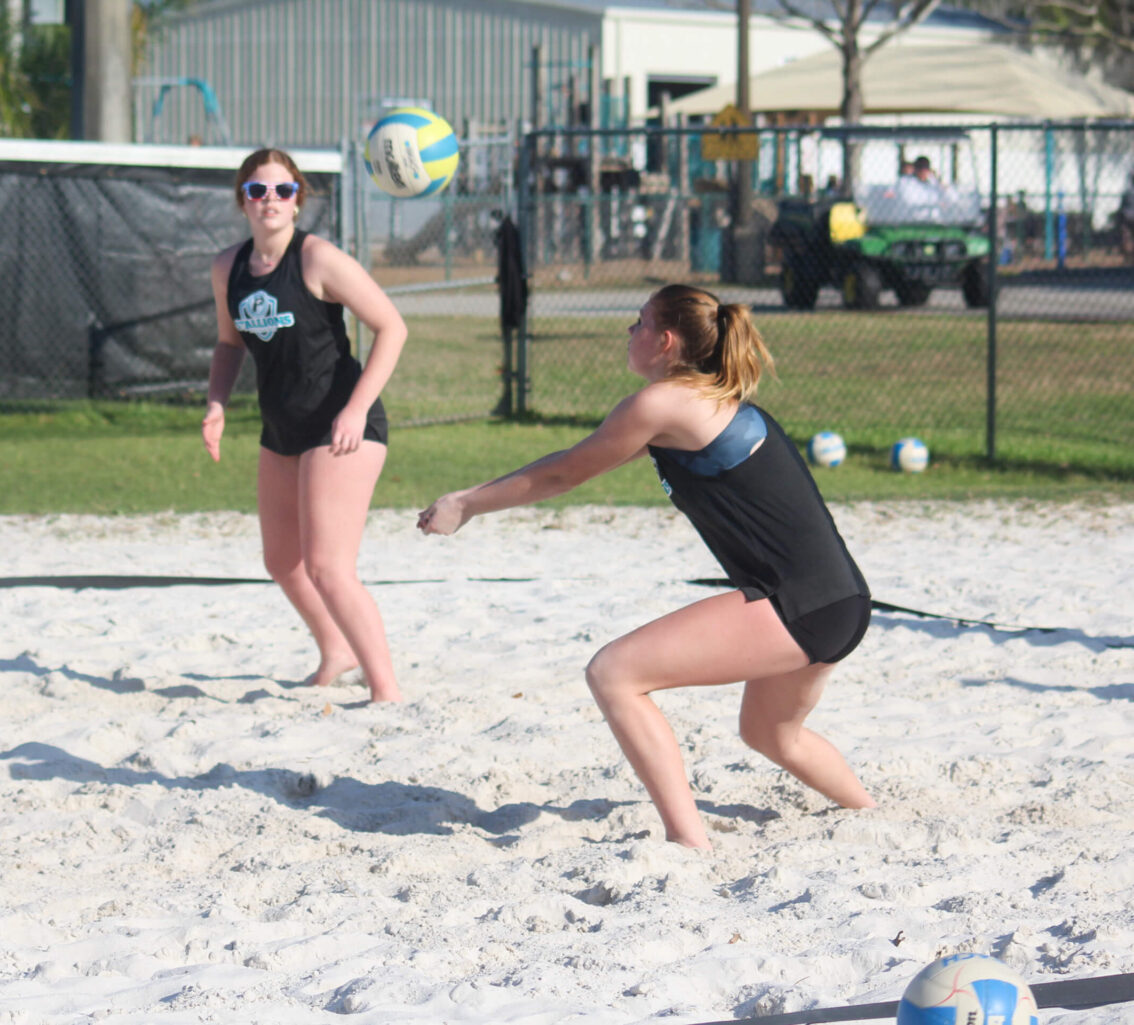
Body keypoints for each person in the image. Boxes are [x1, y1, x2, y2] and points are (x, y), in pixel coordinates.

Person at [417, 285, 876, 847]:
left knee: (614, 674)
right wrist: (470, 497)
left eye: (637, 324)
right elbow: (573, 462)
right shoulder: (699, 402)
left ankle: (689, 843)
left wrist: (465, 504)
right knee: (770, 735)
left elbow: (564, 476)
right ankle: (867, 814)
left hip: (797, 607)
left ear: (665, 341)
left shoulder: (663, 404)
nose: (628, 334)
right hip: (842, 603)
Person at [203, 148, 407, 703]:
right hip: (283, 425)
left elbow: (392, 328)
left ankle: (386, 690)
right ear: (242, 200)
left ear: (298, 202)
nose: (270, 200)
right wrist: (217, 404)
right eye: (258, 190)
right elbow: (228, 343)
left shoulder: (317, 258)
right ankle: (335, 651)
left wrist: (357, 408)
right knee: (282, 561)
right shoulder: (229, 267)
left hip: (341, 422)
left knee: (328, 567)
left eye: (283, 191)